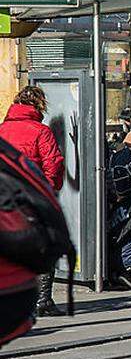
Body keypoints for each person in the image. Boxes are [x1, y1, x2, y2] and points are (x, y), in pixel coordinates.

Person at [0, 85, 67, 316]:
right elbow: (54, 164)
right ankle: (42, 300)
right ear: (39, 105)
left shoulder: (2, 129)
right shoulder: (40, 131)